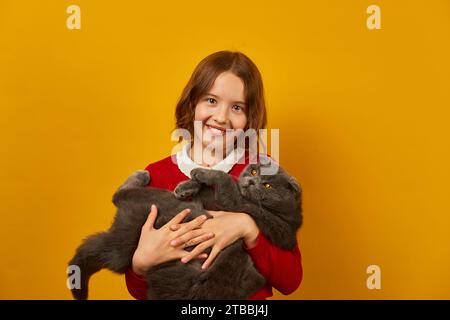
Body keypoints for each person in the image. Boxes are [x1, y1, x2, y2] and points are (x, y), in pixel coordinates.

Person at [125, 51, 303, 300]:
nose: (221, 117)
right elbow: (140, 291)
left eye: (237, 107)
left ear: (249, 118)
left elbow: (291, 279)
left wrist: (247, 227)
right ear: (192, 102)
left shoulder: (263, 172)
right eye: (211, 100)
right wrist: (140, 264)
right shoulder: (155, 176)